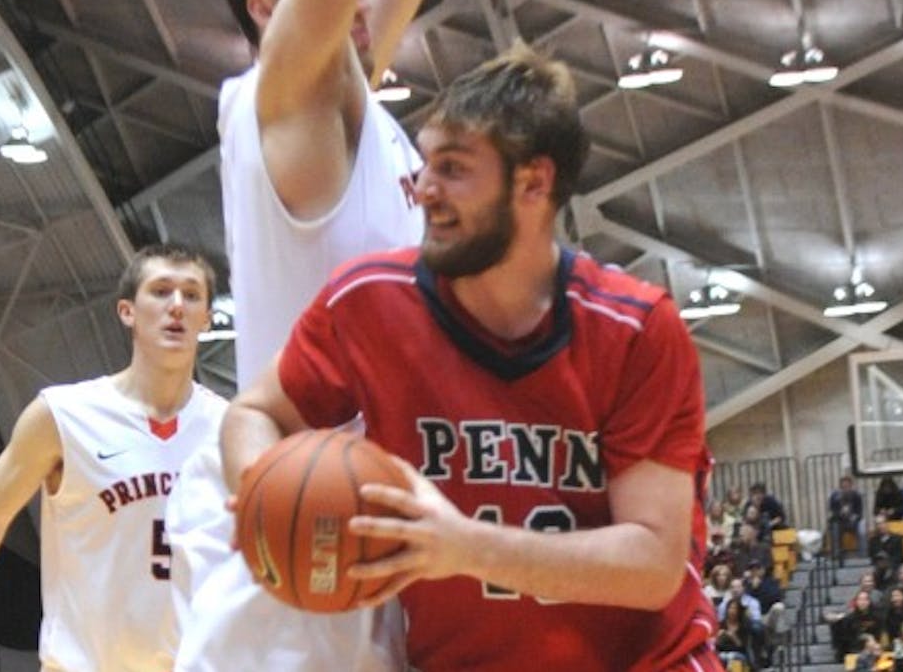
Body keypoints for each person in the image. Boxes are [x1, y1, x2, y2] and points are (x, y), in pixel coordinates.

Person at [221, 46, 720, 670]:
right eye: (426, 163)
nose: (424, 189)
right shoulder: (370, 300)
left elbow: (651, 566)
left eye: (453, 169)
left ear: (533, 182)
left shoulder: (635, 328)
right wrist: (262, 490)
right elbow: (253, 412)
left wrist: (465, 547)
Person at [170, 0, 486, 669]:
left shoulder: (358, 104)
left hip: (375, 520)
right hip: (298, 527)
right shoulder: (285, 99)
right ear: (270, 12)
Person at [0, 245, 226, 672]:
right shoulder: (64, 415)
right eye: (161, 290)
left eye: (191, 295)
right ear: (127, 311)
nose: (176, 306)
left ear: (205, 319)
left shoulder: (233, 429)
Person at [829, 475, 865, 558]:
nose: (845, 488)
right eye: (843, 486)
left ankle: (863, 555)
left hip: (854, 521)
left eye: (847, 486)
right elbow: (832, 510)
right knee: (834, 527)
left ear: (851, 486)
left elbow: (860, 511)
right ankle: (836, 554)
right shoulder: (834, 496)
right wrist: (840, 513)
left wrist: (854, 517)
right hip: (840, 521)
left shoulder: (857, 495)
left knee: (862, 528)